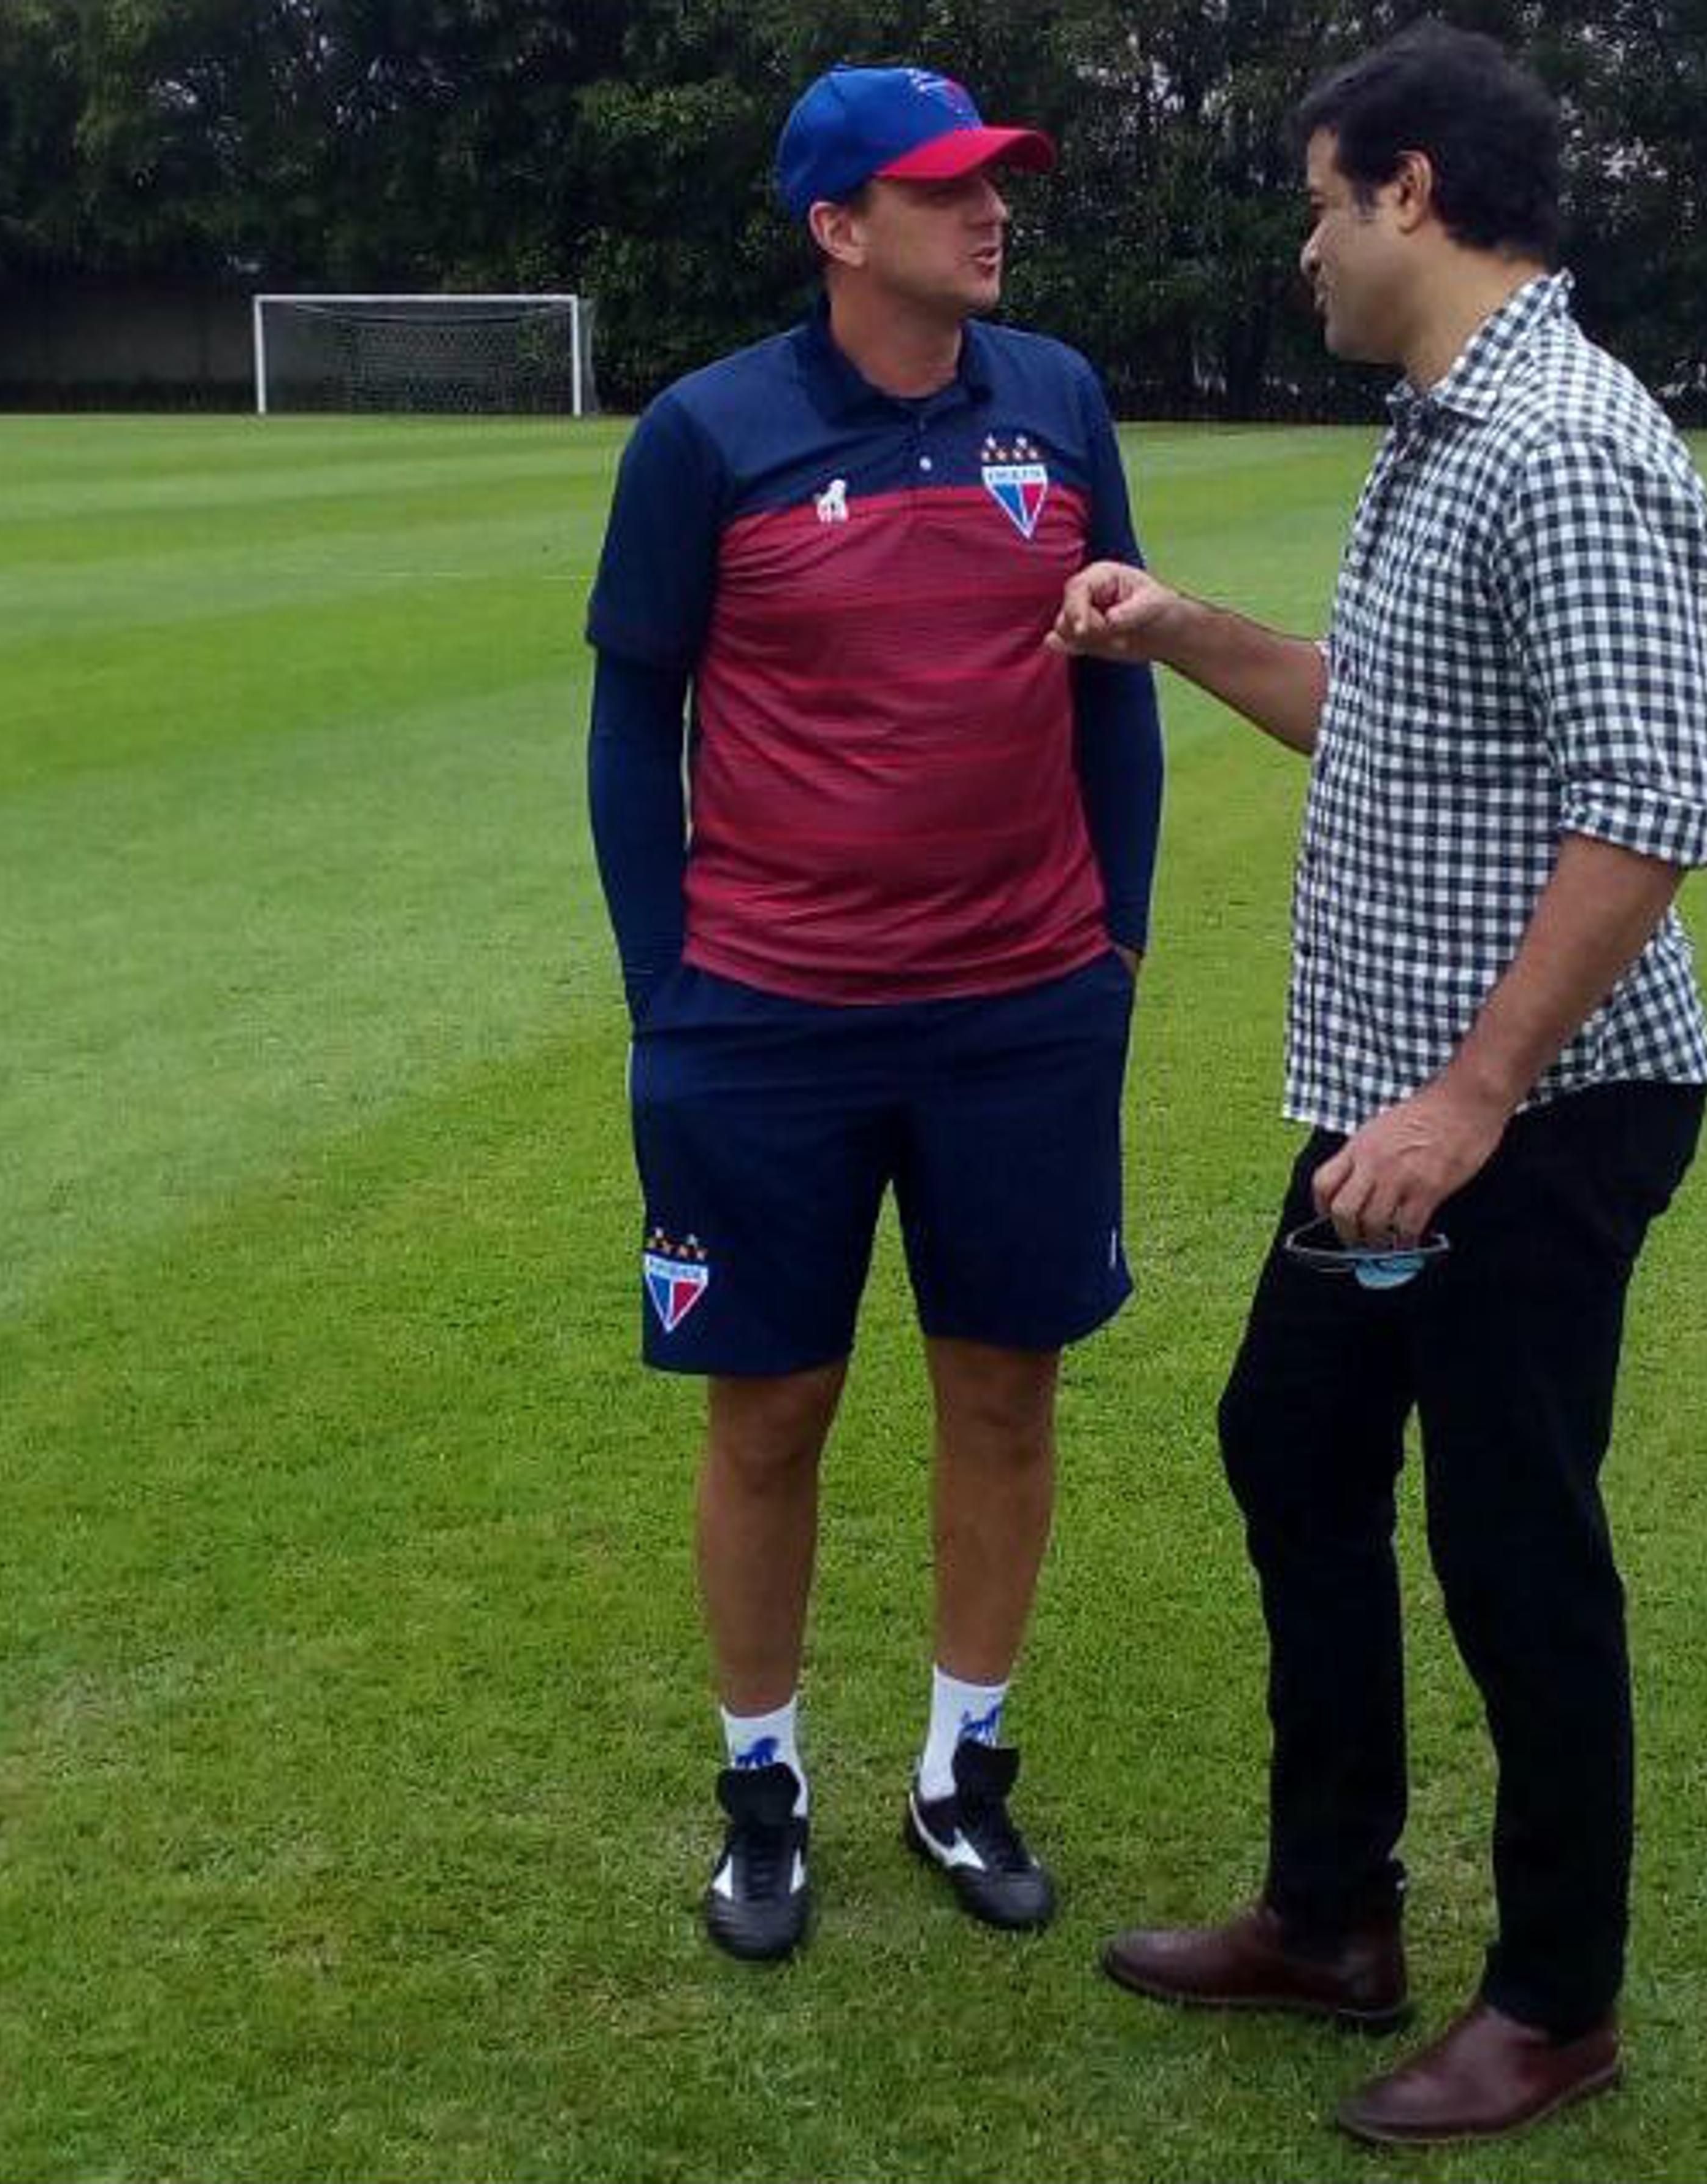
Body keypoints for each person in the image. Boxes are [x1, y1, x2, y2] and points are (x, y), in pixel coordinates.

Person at [1049, 19, 1707, 2148]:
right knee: (1294, 1448)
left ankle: (1557, 2002)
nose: (1305, 255)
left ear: (1408, 189)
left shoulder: (1568, 446)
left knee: (1516, 1538)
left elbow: (1645, 804)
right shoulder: (1440, 432)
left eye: (1318, 208)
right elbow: (1390, 716)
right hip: (1389, 1112)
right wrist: (1175, 630)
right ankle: (1333, 1920)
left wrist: (1471, 1103)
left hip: (1527, 1117)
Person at [585, 63, 1162, 1964]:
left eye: (1000, 184)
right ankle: (765, 1793)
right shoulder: (705, 433)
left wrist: (1118, 949)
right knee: (775, 1410)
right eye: (947, 191)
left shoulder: (1060, 402)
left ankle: (959, 1771)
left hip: (1023, 1010)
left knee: (1005, 1393)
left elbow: (1117, 685)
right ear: (839, 228)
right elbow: (630, 718)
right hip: (764, 1025)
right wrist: (665, 987)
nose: (993, 215)